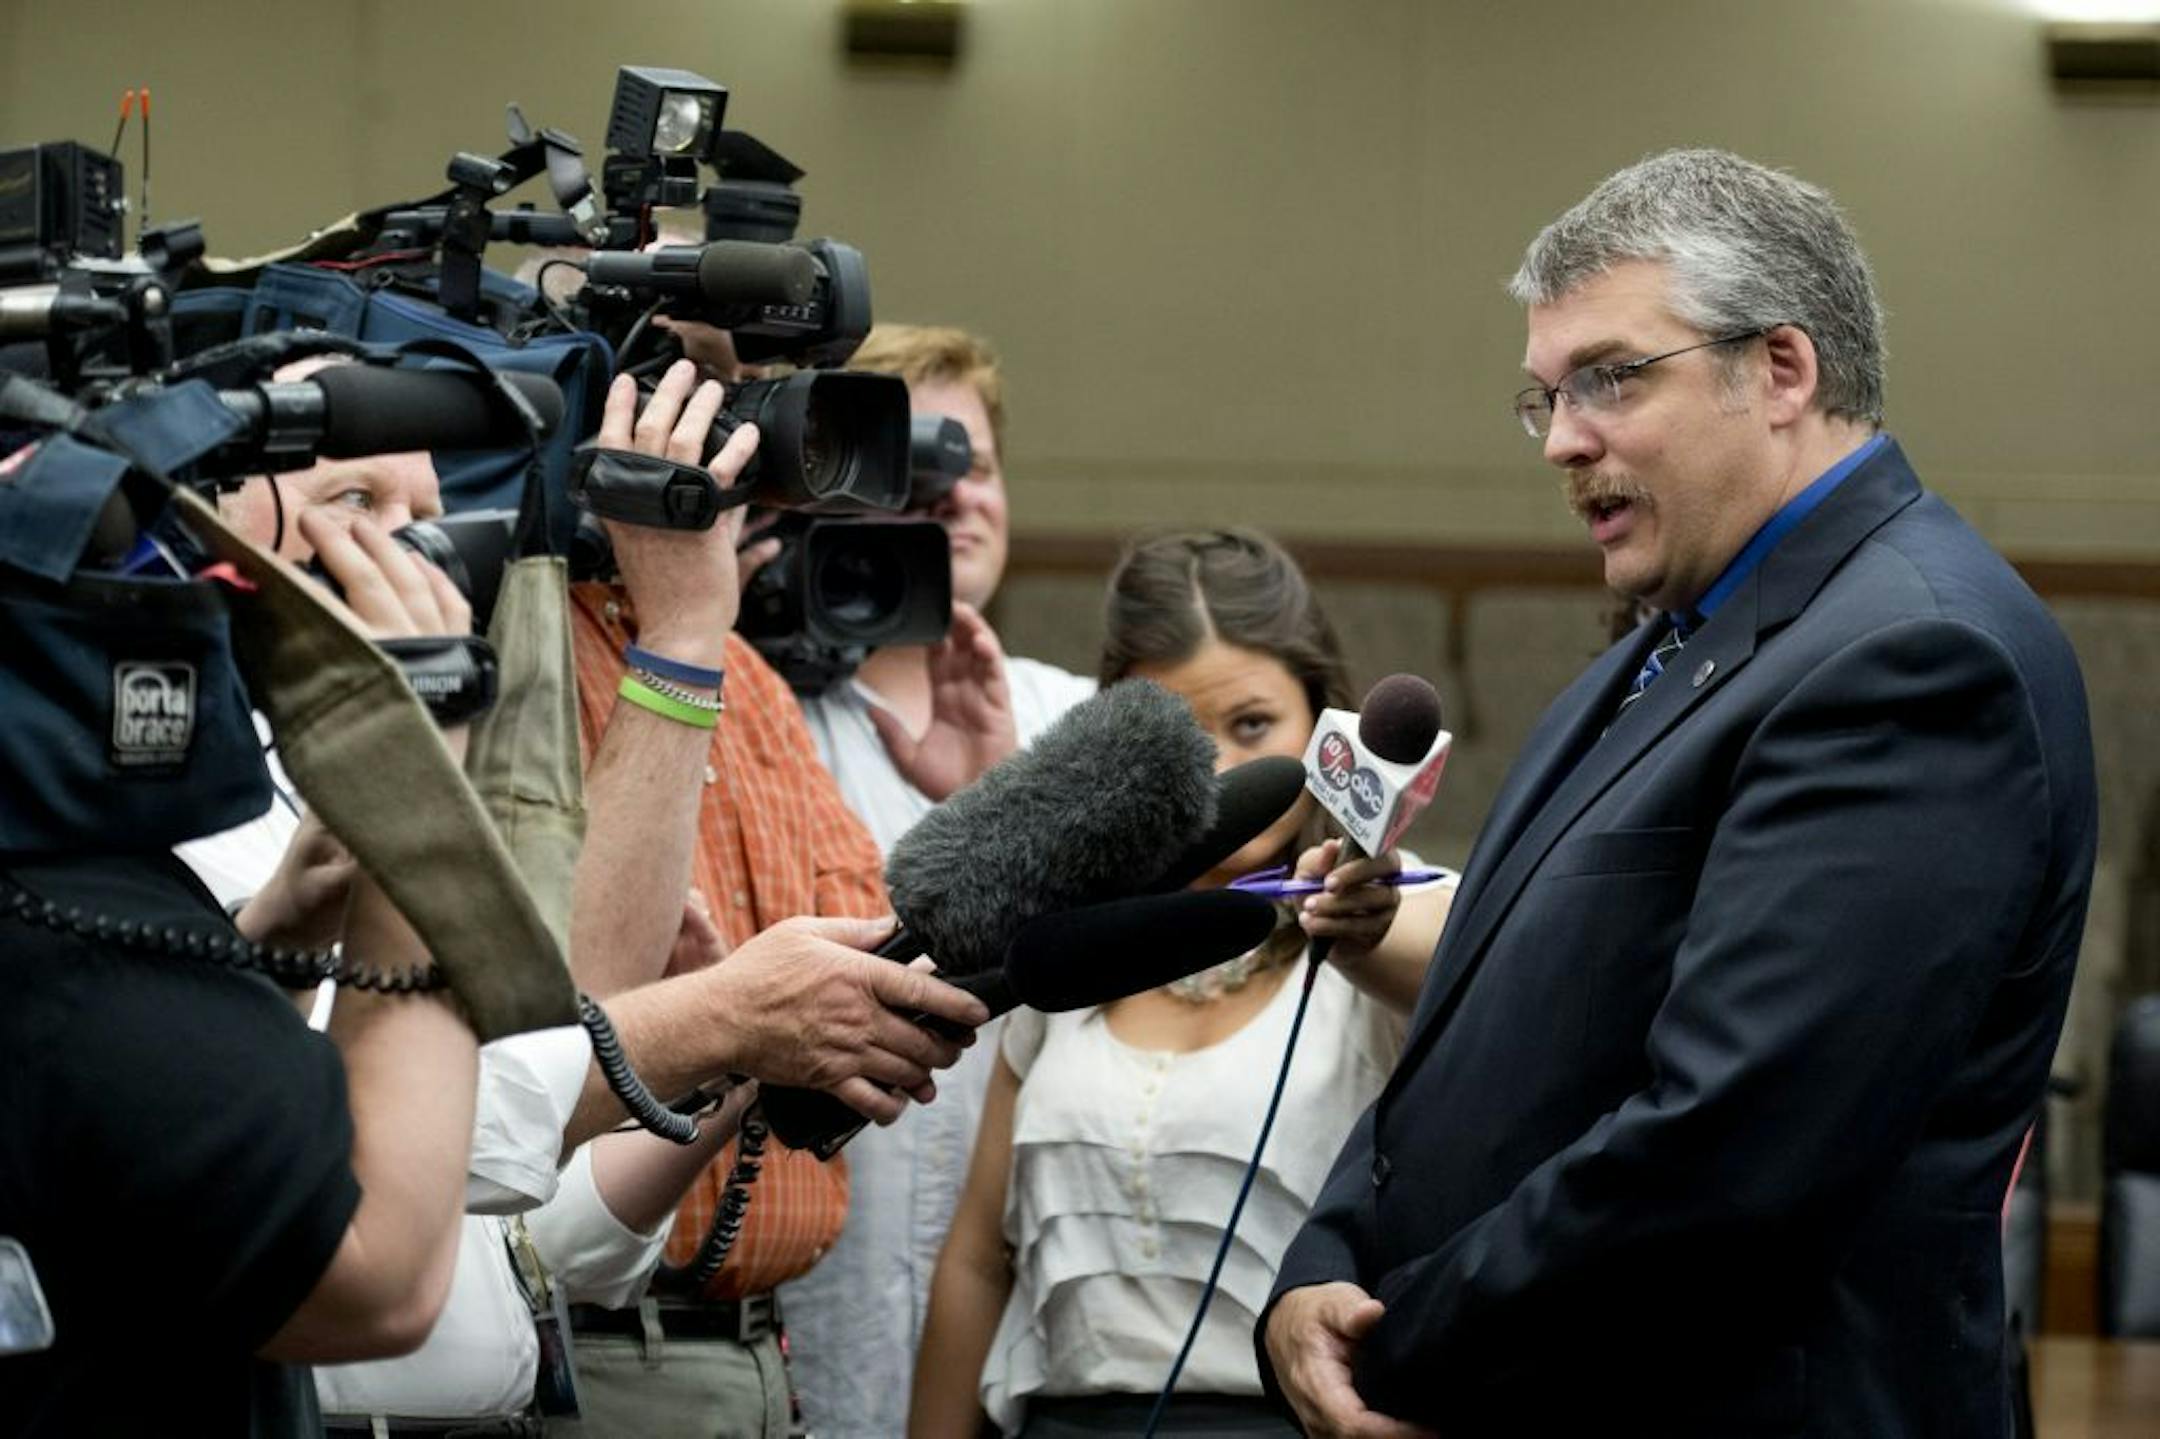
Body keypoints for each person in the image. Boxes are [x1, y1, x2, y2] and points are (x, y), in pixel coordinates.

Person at [1260, 148, 2098, 1439]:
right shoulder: (1680, 632)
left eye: (1607, 378)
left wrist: (1389, 1334)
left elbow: (1728, 1159)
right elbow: (1491, 1040)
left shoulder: (1914, 658)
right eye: (1542, 396)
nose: (1563, 439)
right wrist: (1319, 1265)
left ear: (1780, 369)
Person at [910, 528, 1456, 1438]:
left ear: (1325, 729)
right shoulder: (1067, 949)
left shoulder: (1376, 913)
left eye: (1252, 726)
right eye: (1173, 732)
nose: (1215, 771)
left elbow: (1463, 955)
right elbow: (977, 1259)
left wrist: (1364, 920)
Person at [0, 474, 482, 1434]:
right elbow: (380, 1281)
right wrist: (415, 803)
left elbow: (148, 1133)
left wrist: (283, 939)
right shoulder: (58, 927)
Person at [782, 323, 1096, 1438]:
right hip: (796, 1333)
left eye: (978, 466)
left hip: (1022, 1359)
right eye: (919, 470)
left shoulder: (1082, 723)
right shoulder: (767, 729)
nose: (958, 498)